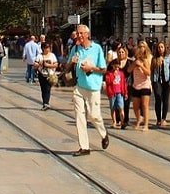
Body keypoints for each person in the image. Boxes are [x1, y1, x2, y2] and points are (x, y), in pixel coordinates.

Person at [66, 25, 110, 155]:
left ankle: (103, 133)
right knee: (79, 116)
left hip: (93, 87)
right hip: (79, 87)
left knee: (94, 115)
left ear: (87, 34)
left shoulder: (96, 49)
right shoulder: (75, 49)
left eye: (81, 33)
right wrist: (72, 62)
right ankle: (84, 147)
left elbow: (104, 69)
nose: (78, 36)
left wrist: (91, 68)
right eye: (77, 34)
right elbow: (67, 69)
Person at [150, 41, 170, 127]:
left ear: (165, 48)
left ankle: (163, 118)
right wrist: (151, 81)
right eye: (159, 47)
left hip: (166, 81)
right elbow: (152, 71)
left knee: (165, 100)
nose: (160, 49)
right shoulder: (154, 58)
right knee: (158, 97)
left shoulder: (169, 58)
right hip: (157, 80)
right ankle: (158, 119)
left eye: (162, 47)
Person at [130, 40, 153, 130]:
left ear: (146, 48)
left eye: (143, 47)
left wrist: (141, 66)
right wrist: (134, 64)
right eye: (139, 46)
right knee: (135, 105)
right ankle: (139, 119)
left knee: (144, 105)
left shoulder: (146, 59)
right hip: (136, 85)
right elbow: (129, 70)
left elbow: (148, 73)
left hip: (145, 85)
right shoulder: (135, 59)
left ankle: (146, 124)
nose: (141, 48)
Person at [104, 59, 128, 128]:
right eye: (115, 67)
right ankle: (114, 121)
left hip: (120, 93)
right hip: (112, 93)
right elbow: (107, 82)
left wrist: (125, 92)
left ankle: (122, 122)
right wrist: (112, 76)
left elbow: (124, 84)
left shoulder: (121, 74)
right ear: (112, 66)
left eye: (118, 67)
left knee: (121, 107)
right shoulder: (109, 74)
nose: (117, 68)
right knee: (112, 108)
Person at [34, 41, 58, 110]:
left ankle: (46, 103)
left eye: (49, 48)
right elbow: (35, 65)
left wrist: (48, 65)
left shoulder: (52, 55)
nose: (48, 49)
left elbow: (56, 64)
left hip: (50, 75)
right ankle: (45, 103)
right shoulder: (39, 56)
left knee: (48, 89)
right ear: (43, 48)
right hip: (41, 75)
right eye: (46, 48)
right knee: (43, 89)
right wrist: (39, 64)